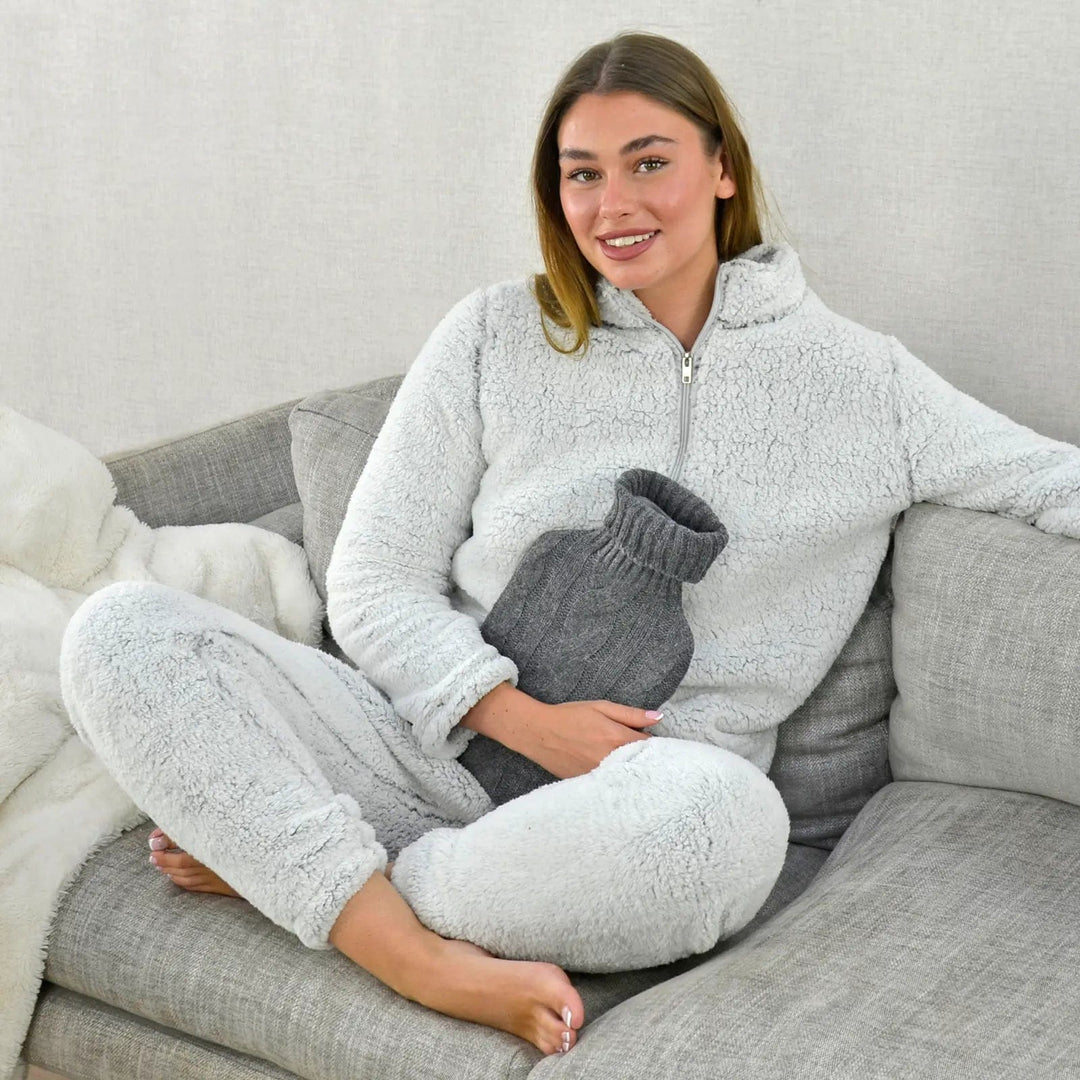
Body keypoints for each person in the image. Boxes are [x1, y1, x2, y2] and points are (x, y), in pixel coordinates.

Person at [58, 30, 1080, 1062]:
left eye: (649, 162)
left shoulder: (870, 387)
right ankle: (417, 954)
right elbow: (371, 580)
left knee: (731, 827)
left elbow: (1054, 479)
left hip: (629, 815)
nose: (612, 205)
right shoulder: (498, 334)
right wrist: (523, 720)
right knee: (118, 630)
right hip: (412, 747)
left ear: (722, 168)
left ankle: (308, 871)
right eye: (581, 175)